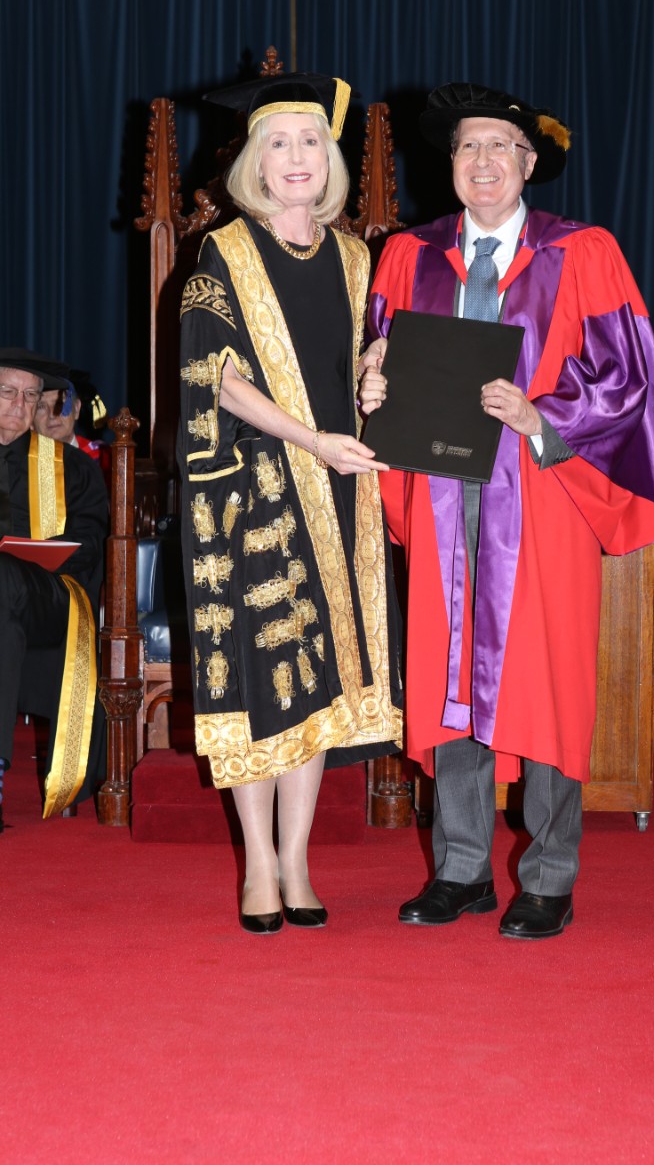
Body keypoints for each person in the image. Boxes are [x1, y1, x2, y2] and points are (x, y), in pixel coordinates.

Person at [360, 82, 654, 938]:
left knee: (545, 684)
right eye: (467, 149)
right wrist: (367, 385)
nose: (481, 164)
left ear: (528, 163)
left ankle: (548, 876)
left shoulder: (582, 252)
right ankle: (462, 869)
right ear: (449, 165)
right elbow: (380, 362)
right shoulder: (407, 254)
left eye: (498, 149)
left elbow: (625, 381)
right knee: (448, 684)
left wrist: (541, 415)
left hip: (539, 500)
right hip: (439, 501)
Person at [177, 72, 403, 934]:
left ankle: (299, 860)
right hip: (255, 494)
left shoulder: (355, 257)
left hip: (341, 491)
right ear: (253, 164)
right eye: (278, 143)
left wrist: (377, 383)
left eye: (310, 141)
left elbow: (353, 372)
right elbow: (217, 379)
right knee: (262, 672)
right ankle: (257, 866)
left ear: (330, 158)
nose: (296, 158)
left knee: (312, 683)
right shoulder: (223, 253)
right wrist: (312, 440)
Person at [0, 348, 109, 832]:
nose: (19, 406)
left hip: (50, 597)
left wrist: (46, 552)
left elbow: (90, 541)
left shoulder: (72, 466)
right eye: (7, 392)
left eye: (29, 395)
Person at [33, 368, 109, 465]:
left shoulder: (102, 460)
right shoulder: (21, 464)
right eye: (41, 406)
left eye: (60, 403)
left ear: (77, 409)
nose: (52, 414)